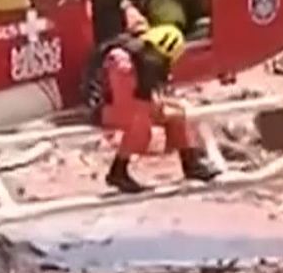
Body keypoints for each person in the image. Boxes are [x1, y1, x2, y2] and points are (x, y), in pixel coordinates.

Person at [84, 23, 222, 194]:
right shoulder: (121, 62)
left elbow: (145, 97)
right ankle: (118, 171)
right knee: (141, 124)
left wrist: (159, 107)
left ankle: (191, 164)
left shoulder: (144, 64)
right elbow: (125, 102)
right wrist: (153, 108)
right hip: (102, 109)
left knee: (176, 114)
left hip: (127, 107)